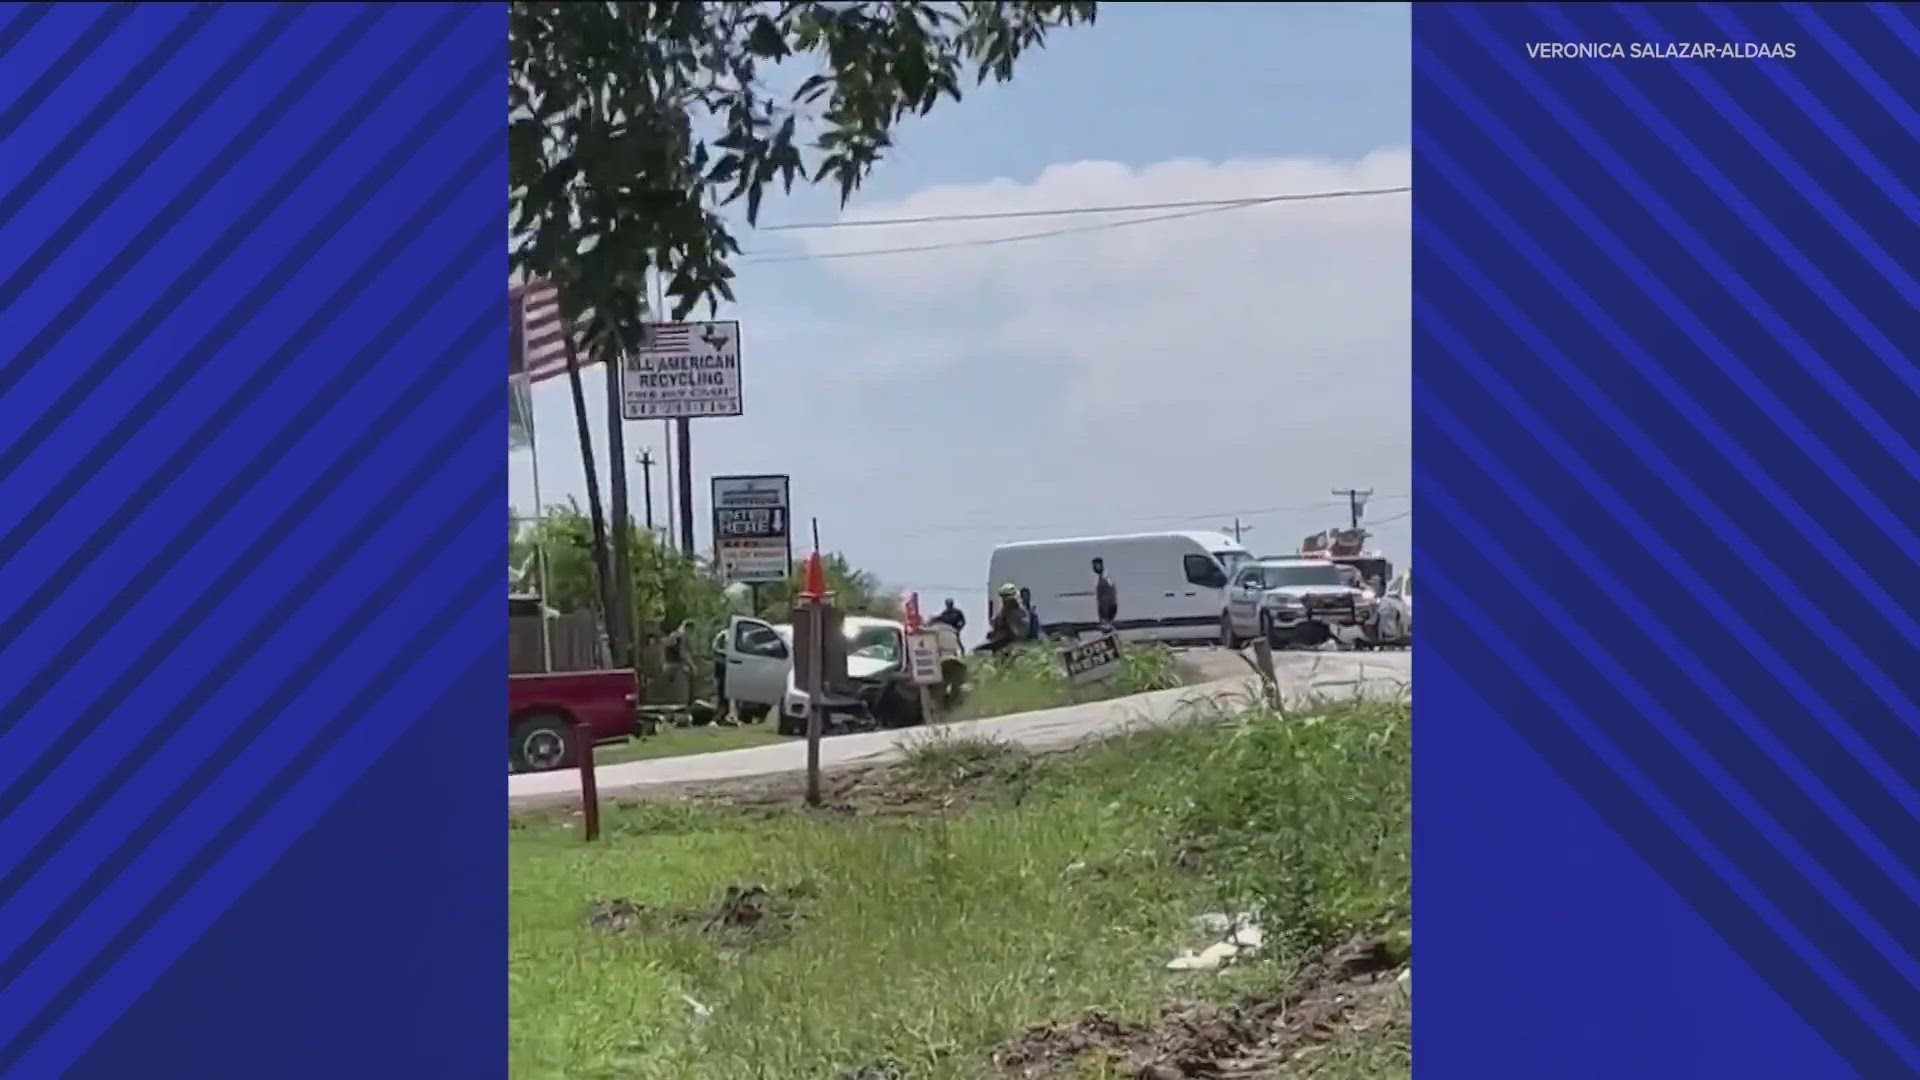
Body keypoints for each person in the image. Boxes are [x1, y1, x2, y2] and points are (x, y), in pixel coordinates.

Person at [980, 583, 1027, 653]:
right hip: (999, 642)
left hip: (1009, 644)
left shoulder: (1017, 612)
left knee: (982, 653)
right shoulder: (1004, 611)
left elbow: (1018, 632)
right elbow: (995, 623)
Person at [1092, 557, 1118, 628]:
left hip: (1107, 607)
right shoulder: (1099, 578)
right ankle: (1106, 623)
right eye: (1095, 566)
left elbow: (1110, 596)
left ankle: (1106, 623)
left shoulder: (1106, 578)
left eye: (1098, 565)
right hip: (1105, 607)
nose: (1096, 568)